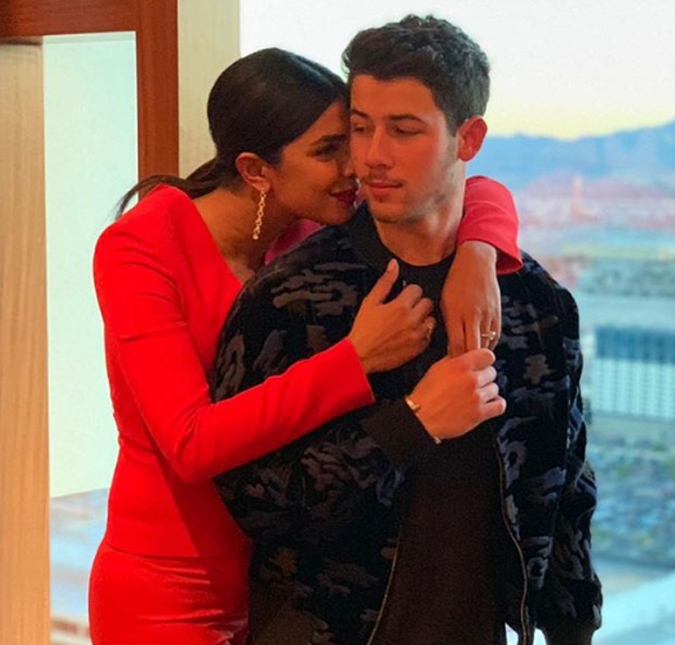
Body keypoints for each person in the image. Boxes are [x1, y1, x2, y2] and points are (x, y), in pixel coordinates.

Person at [88, 46, 523, 645]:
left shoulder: (312, 221)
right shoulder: (140, 247)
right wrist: (355, 361)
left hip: (282, 580)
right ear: (255, 170)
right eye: (329, 150)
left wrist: (480, 252)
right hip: (168, 587)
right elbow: (189, 442)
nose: (357, 166)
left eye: (351, 138)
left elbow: (472, 183)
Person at [211, 17, 603, 645]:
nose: (372, 156)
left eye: (404, 129)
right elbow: (251, 500)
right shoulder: (291, 298)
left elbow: (566, 481)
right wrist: (410, 426)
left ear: (467, 138)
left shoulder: (535, 302)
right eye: (360, 126)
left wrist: (573, 626)